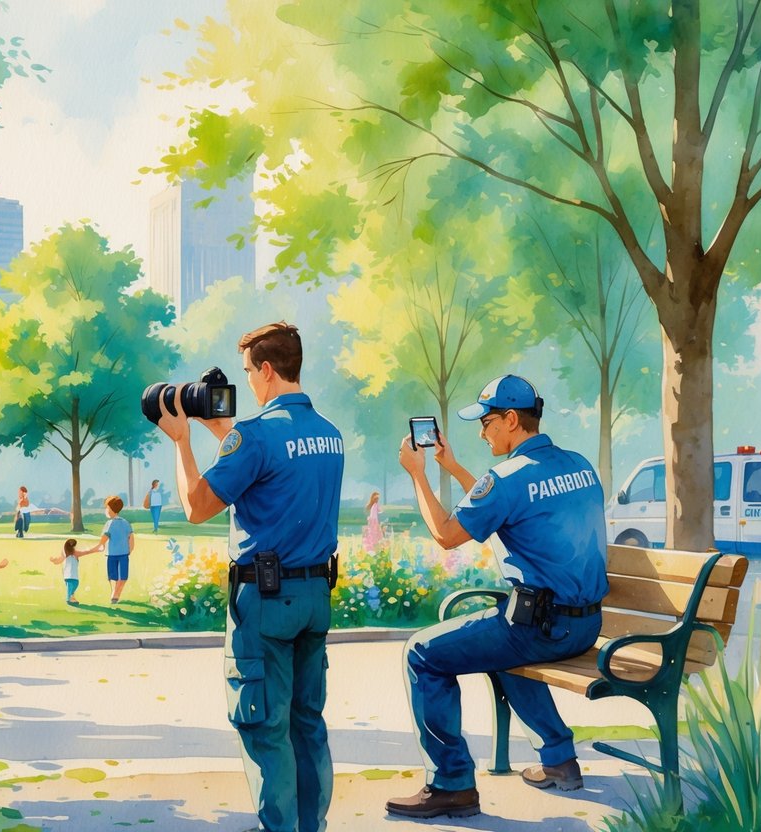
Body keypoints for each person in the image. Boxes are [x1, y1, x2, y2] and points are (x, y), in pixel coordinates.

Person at [386, 375, 608, 820]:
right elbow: (507, 502)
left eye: (486, 422)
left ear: (511, 420)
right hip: (587, 625)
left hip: (542, 628)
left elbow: (448, 535)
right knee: (501, 644)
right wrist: (454, 469)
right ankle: (559, 761)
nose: (481, 432)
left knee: (422, 653)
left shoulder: (506, 478)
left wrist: (419, 475)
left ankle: (451, 785)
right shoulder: (577, 463)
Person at [154, 321, 343, 832]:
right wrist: (227, 436)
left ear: (266, 369)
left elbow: (197, 507)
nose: (246, 386)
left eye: (247, 373)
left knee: (264, 725)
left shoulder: (255, 436)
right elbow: (281, 484)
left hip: (265, 600)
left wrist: (182, 442)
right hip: (315, 595)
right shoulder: (330, 434)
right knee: (307, 723)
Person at [78, 496, 134, 604]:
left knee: (113, 576)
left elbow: (103, 539)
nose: (105, 510)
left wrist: (97, 547)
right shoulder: (126, 523)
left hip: (112, 554)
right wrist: (129, 550)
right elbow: (131, 539)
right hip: (124, 554)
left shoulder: (109, 524)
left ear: (110, 509)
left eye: (106, 507)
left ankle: (114, 593)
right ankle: (116, 594)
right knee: (123, 576)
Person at [49, 537, 86, 605]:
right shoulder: (66, 554)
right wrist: (54, 560)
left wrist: (54, 561)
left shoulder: (74, 554)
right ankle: (68, 599)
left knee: (74, 586)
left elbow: (58, 560)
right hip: (69, 575)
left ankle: (71, 598)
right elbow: (58, 560)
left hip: (72, 576)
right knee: (71, 587)